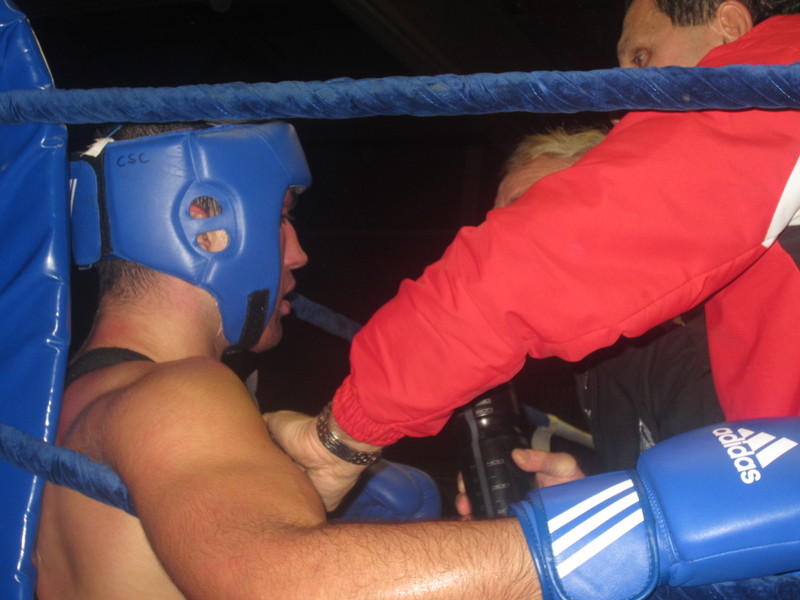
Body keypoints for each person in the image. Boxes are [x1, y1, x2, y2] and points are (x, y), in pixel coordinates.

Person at [33, 122, 800, 600]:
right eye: (283, 218)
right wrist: (630, 531)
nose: (298, 253)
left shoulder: (69, 399)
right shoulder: (182, 394)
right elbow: (280, 582)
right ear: (204, 219)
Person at [266, 0, 800, 505]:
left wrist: (343, 435)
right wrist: (602, 494)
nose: (627, 99)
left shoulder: (781, 76)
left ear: (730, 27)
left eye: (642, 59)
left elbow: (542, 261)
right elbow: (746, 488)